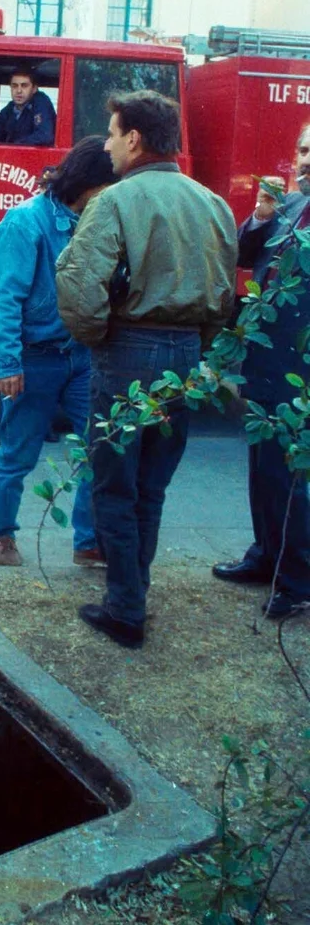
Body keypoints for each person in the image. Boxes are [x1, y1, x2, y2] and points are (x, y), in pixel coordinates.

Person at [56, 91, 237, 647]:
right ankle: (134, 594)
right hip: (185, 355)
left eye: (112, 133)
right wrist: (196, 345)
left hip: (129, 349)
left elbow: (78, 283)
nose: (107, 144)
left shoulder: (115, 201)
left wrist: (99, 337)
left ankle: (125, 608)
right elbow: (225, 293)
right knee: (150, 487)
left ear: (134, 139)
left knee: (114, 484)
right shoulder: (213, 204)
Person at [0, 137, 117, 566]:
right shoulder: (24, 223)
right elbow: (2, 297)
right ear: (87, 184)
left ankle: (87, 541)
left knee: (101, 446)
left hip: (81, 356)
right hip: (35, 357)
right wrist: (6, 362)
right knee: (18, 452)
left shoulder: (95, 220)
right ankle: (0, 534)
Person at [212, 129, 310, 618]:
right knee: (264, 468)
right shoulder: (289, 207)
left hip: (303, 374)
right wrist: (261, 217)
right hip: (266, 364)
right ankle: (265, 555)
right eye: (304, 150)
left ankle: (296, 581)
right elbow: (245, 256)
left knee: (295, 478)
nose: (307, 161)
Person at [0, 70, 56, 147]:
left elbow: (44, 136)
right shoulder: (9, 108)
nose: (19, 91)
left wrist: (14, 145)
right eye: (14, 86)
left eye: (24, 86)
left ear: (34, 89)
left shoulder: (40, 102)